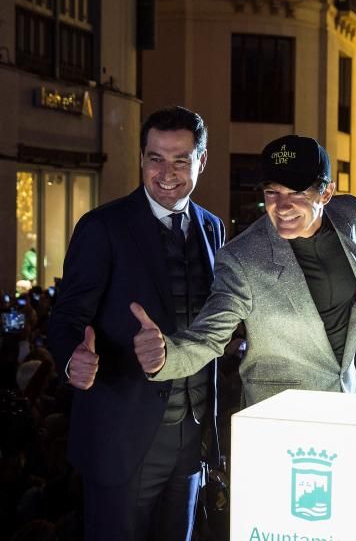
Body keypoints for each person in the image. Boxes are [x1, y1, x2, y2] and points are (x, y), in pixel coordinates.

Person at [47, 107, 225, 541]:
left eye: (180, 160)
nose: (166, 173)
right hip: (123, 436)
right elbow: (66, 316)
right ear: (141, 158)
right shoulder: (102, 227)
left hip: (192, 436)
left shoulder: (213, 228)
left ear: (202, 161)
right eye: (154, 158)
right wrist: (74, 360)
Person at [130, 134, 356, 406]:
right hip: (278, 416)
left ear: (327, 193)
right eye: (272, 192)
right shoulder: (242, 258)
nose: (282, 206)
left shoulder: (349, 215)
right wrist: (167, 357)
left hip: (347, 401)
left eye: (296, 192)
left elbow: (346, 284)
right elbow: (210, 336)